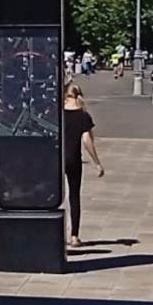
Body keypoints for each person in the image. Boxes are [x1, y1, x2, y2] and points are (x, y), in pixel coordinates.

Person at [62, 82, 103, 247]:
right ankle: (74, 236)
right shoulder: (83, 115)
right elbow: (87, 141)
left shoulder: (57, 113)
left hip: (57, 159)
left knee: (54, 196)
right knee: (74, 196)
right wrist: (97, 163)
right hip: (74, 159)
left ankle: (54, 232)